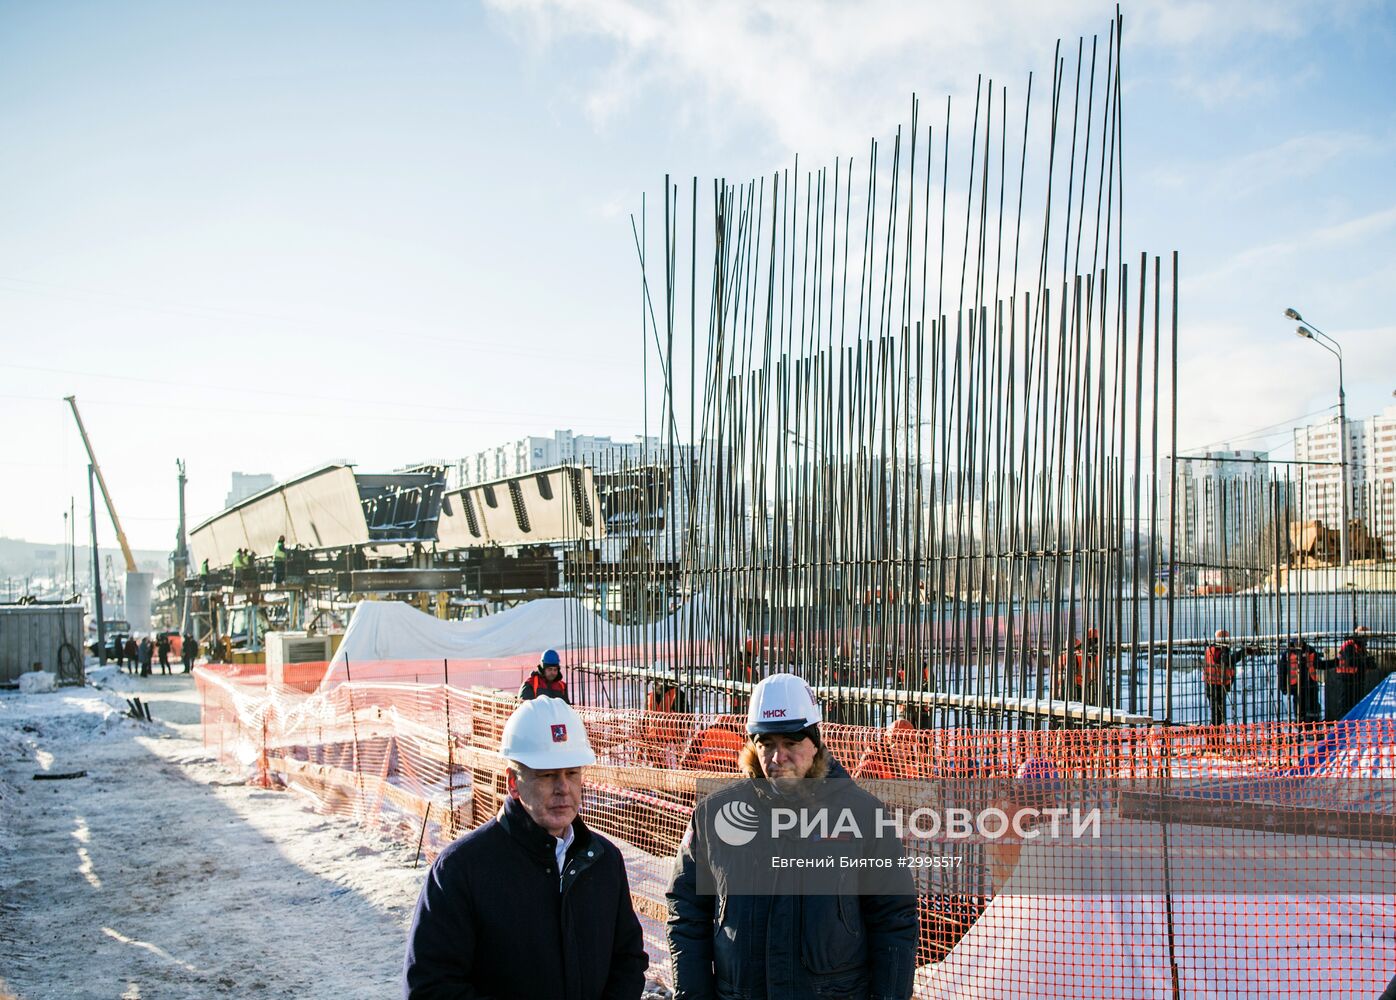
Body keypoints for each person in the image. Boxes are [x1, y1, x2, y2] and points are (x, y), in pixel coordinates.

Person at [667, 673, 919, 1000]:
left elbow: (894, 919)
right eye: (766, 744)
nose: (778, 757)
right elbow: (686, 912)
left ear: (815, 742)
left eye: (790, 742)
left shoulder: (863, 816)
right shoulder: (714, 816)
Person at [403, 697, 647, 1000]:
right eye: (547, 775)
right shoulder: (461, 869)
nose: (563, 788)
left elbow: (628, 959)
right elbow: (430, 987)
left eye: (572, 773)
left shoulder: (603, 860)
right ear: (513, 783)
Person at [1329, 625, 1373, 720]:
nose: (1366, 640)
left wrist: (1367, 662)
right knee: (1345, 704)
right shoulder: (1349, 645)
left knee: (1357, 703)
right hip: (1346, 679)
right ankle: (1343, 724)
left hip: (1357, 679)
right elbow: (1351, 661)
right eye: (1365, 637)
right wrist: (1365, 661)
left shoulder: (1359, 647)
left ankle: (1354, 723)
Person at [1203, 629, 1244, 727]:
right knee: (1218, 715)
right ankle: (1216, 734)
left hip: (1213, 684)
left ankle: (1216, 732)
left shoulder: (1211, 649)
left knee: (1217, 713)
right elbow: (1228, 660)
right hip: (1216, 686)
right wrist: (1243, 652)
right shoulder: (1218, 651)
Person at [1281, 637, 1322, 722]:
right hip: (1296, 685)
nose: (1299, 643)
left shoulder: (1310, 650)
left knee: (1313, 704)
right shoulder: (1288, 653)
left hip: (1310, 682)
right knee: (1299, 705)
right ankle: (1301, 722)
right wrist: (1283, 686)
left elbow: (1319, 664)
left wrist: (1334, 662)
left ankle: (1313, 722)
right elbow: (1282, 671)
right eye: (1296, 641)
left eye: (1301, 641)